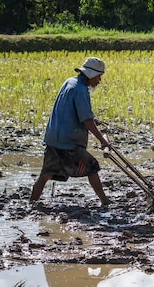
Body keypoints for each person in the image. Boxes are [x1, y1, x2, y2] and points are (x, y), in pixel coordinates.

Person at [29, 57, 112, 206]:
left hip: (53, 137)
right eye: (99, 77)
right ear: (92, 75)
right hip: (69, 141)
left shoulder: (70, 82)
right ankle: (105, 201)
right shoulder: (81, 90)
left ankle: (31, 204)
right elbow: (86, 121)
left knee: (46, 173)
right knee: (92, 166)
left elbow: (74, 112)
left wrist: (92, 120)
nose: (99, 81)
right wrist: (103, 140)